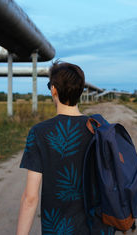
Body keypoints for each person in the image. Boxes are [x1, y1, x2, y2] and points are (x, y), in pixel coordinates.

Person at [16, 61, 114, 234]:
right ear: (81, 91)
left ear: (53, 89)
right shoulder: (100, 127)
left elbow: (30, 198)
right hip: (98, 228)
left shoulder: (40, 133)